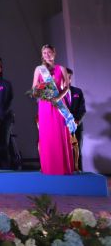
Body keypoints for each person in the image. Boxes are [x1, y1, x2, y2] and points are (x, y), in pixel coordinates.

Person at [32, 45, 74, 175]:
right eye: (44, 53)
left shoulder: (61, 69)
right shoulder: (39, 69)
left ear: (54, 53)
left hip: (58, 105)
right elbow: (34, 89)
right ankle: (48, 168)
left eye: (49, 52)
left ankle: (63, 167)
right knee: (47, 135)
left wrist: (58, 97)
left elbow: (66, 87)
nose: (47, 55)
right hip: (45, 106)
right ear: (42, 55)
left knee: (59, 133)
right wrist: (41, 92)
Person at [65, 68, 86, 171]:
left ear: (70, 79)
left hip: (77, 127)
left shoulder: (78, 91)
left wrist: (76, 121)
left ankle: (80, 174)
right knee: (64, 152)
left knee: (78, 151)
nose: (66, 79)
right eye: (63, 77)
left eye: (68, 77)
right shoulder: (56, 94)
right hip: (63, 128)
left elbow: (83, 110)